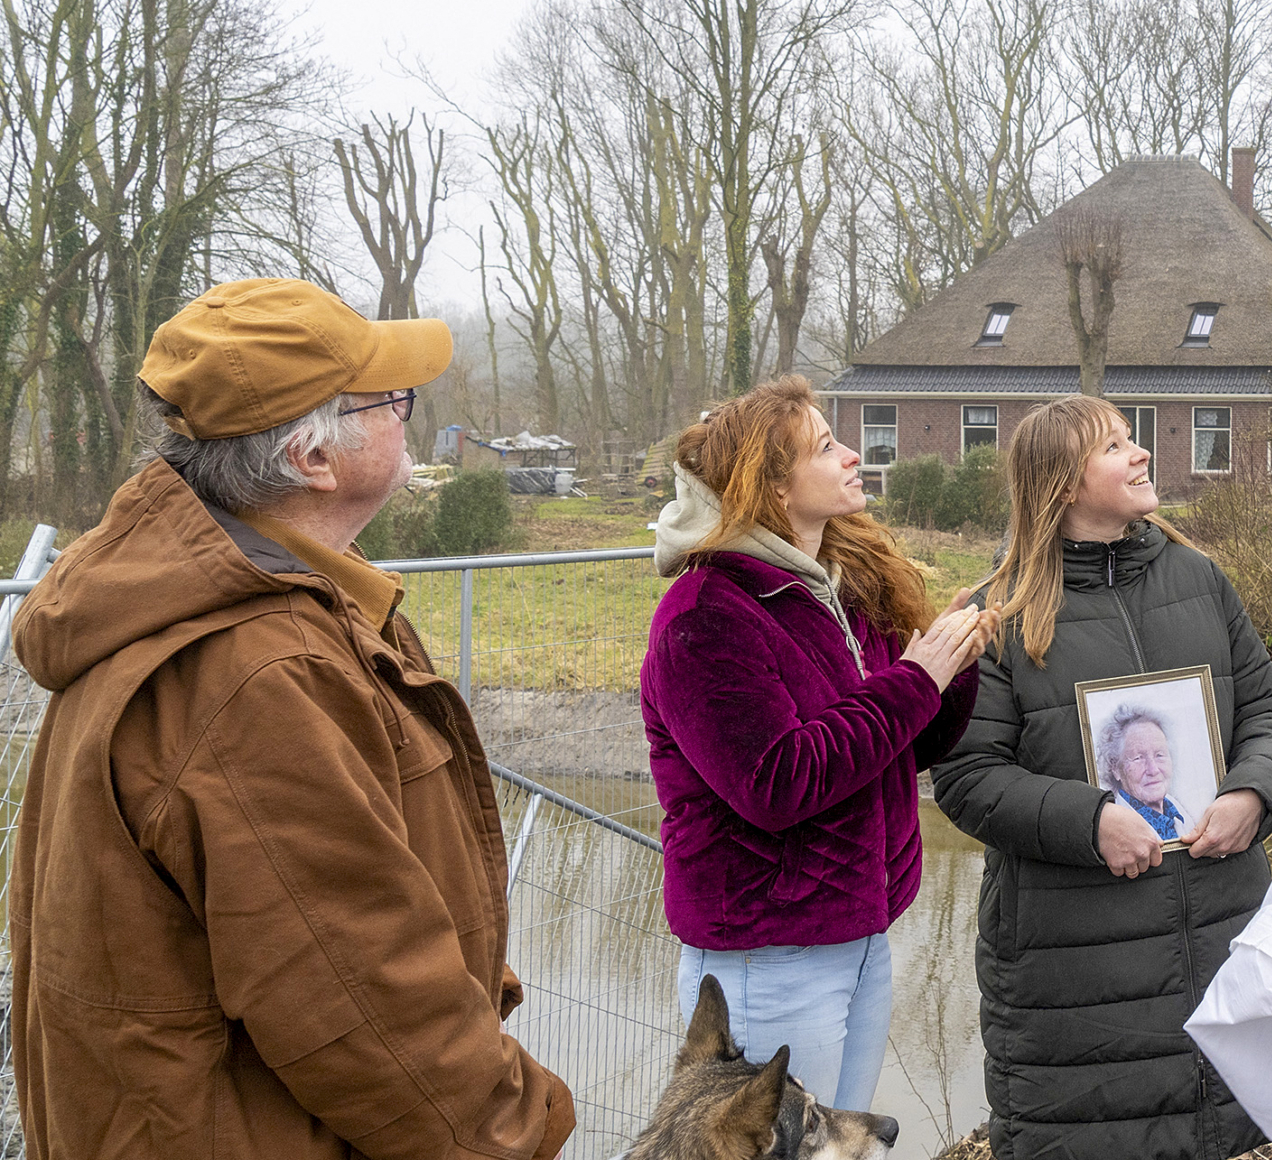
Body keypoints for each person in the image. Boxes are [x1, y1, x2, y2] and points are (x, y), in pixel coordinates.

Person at [7, 278, 575, 1158]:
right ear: (314, 457)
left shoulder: (258, 603)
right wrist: (526, 1125)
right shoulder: (259, 673)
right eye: (396, 402)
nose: (411, 420)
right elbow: (368, 1007)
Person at [932, 395, 1272, 1160]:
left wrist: (1253, 792)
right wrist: (1090, 819)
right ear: (1065, 483)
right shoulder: (996, 614)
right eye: (1117, 446)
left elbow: (1269, 705)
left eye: (1135, 441)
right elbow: (966, 776)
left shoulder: (1200, 577)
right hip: (1075, 978)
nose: (1142, 455)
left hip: (1217, 936)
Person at [641, 375, 990, 1112]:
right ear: (771, 483)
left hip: (857, 936)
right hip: (767, 960)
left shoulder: (831, 588)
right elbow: (778, 783)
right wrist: (915, 677)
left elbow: (891, 750)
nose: (853, 455)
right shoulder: (706, 616)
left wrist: (949, 667)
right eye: (826, 446)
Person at [1097, 704, 1186, 840]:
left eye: (1159, 755)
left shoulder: (1180, 813)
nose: (1153, 770)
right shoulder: (1115, 828)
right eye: (1138, 758)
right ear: (1115, 769)